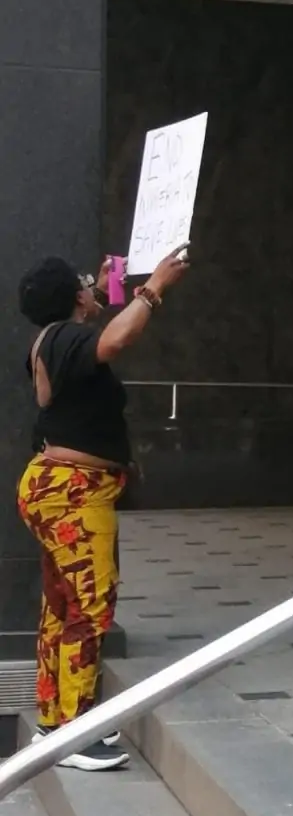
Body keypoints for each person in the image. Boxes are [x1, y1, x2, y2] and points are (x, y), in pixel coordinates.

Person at [17, 247, 190, 771]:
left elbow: (98, 331)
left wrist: (102, 289)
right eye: (85, 284)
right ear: (72, 296)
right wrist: (154, 289)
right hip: (72, 492)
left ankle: (56, 720)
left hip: (55, 487)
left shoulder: (53, 339)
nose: (92, 289)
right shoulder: (66, 338)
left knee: (62, 607)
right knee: (90, 606)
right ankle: (74, 731)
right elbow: (115, 339)